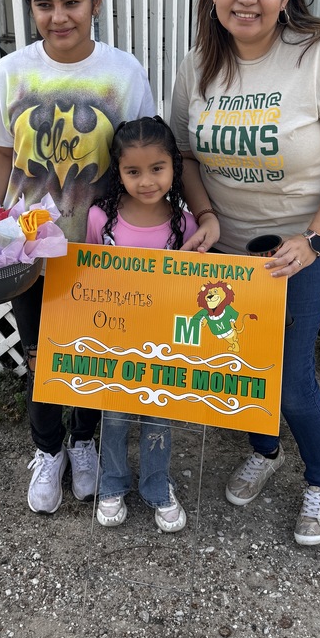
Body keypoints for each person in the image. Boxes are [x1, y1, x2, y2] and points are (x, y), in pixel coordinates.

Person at [170, 0, 320, 546]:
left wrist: (315, 239)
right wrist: (206, 215)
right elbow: (185, 155)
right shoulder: (198, 64)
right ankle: (264, 451)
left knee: (290, 375)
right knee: (238, 364)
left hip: (301, 250)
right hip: (227, 252)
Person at [0, 0, 156, 515]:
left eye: (72, 2)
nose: (59, 16)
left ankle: (85, 442)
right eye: (43, 4)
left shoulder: (123, 72)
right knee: (38, 357)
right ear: (30, 9)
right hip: (29, 248)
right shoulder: (12, 71)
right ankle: (48, 449)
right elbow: (0, 156)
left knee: (92, 354)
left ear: (96, 1)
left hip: (102, 248)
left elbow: (142, 155)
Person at [85, 116, 197, 533]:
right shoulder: (100, 219)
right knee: (113, 417)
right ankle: (112, 482)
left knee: (158, 420)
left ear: (174, 167)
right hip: (114, 343)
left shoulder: (185, 225)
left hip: (165, 345)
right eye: (133, 171)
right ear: (119, 171)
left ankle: (156, 485)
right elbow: (87, 280)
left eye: (157, 169)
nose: (146, 181)